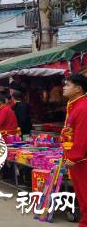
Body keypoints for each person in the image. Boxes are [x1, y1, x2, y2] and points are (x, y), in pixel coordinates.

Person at [61, 75, 87, 226]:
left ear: (78, 89)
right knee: (80, 193)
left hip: (81, 159)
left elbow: (82, 135)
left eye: (67, 85)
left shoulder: (82, 107)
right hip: (77, 157)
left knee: (84, 192)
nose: (64, 87)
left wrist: (73, 157)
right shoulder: (74, 105)